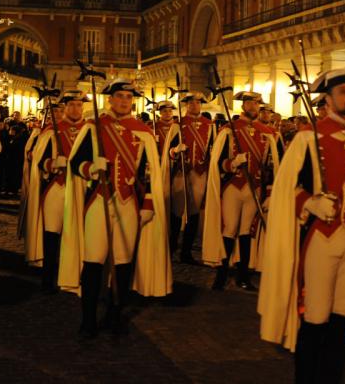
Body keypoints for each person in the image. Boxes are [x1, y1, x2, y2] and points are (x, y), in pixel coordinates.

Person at [258, 68, 345, 383]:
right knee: (316, 318)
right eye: (343, 92)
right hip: (322, 238)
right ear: (329, 99)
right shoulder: (310, 137)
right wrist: (308, 201)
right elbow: (285, 189)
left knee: (342, 320)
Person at [59, 78, 172, 338]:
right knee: (94, 261)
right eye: (119, 96)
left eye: (128, 97)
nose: (123, 101)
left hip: (128, 202)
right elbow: (76, 163)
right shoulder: (95, 126)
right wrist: (91, 168)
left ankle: (114, 314)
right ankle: (87, 319)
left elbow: (149, 173)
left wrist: (148, 204)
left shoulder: (142, 131)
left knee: (123, 263)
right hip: (99, 199)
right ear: (109, 99)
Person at [203, 91, 279, 291]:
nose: (253, 106)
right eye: (249, 103)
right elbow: (218, 163)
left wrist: (270, 193)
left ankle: (243, 276)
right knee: (230, 228)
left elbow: (272, 167)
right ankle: (221, 273)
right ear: (243, 105)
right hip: (233, 186)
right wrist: (233, 163)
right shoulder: (230, 130)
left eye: (256, 103)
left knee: (246, 231)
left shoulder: (268, 133)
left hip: (255, 187)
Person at [25, 91, 87, 293]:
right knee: (51, 235)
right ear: (65, 107)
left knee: (79, 234)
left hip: (80, 187)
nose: (76, 109)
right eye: (72, 105)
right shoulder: (52, 131)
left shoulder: (90, 131)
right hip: (56, 187)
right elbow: (39, 160)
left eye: (79, 105)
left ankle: (75, 274)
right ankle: (48, 279)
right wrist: (52, 164)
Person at [162, 92, 215, 263]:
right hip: (180, 172)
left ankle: (186, 252)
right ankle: (170, 248)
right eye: (191, 103)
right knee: (176, 213)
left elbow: (213, 150)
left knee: (193, 214)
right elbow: (169, 151)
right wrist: (176, 151)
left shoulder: (210, 125)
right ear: (186, 105)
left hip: (200, 173)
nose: (194, 105)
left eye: (198, 102)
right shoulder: (178, 125)